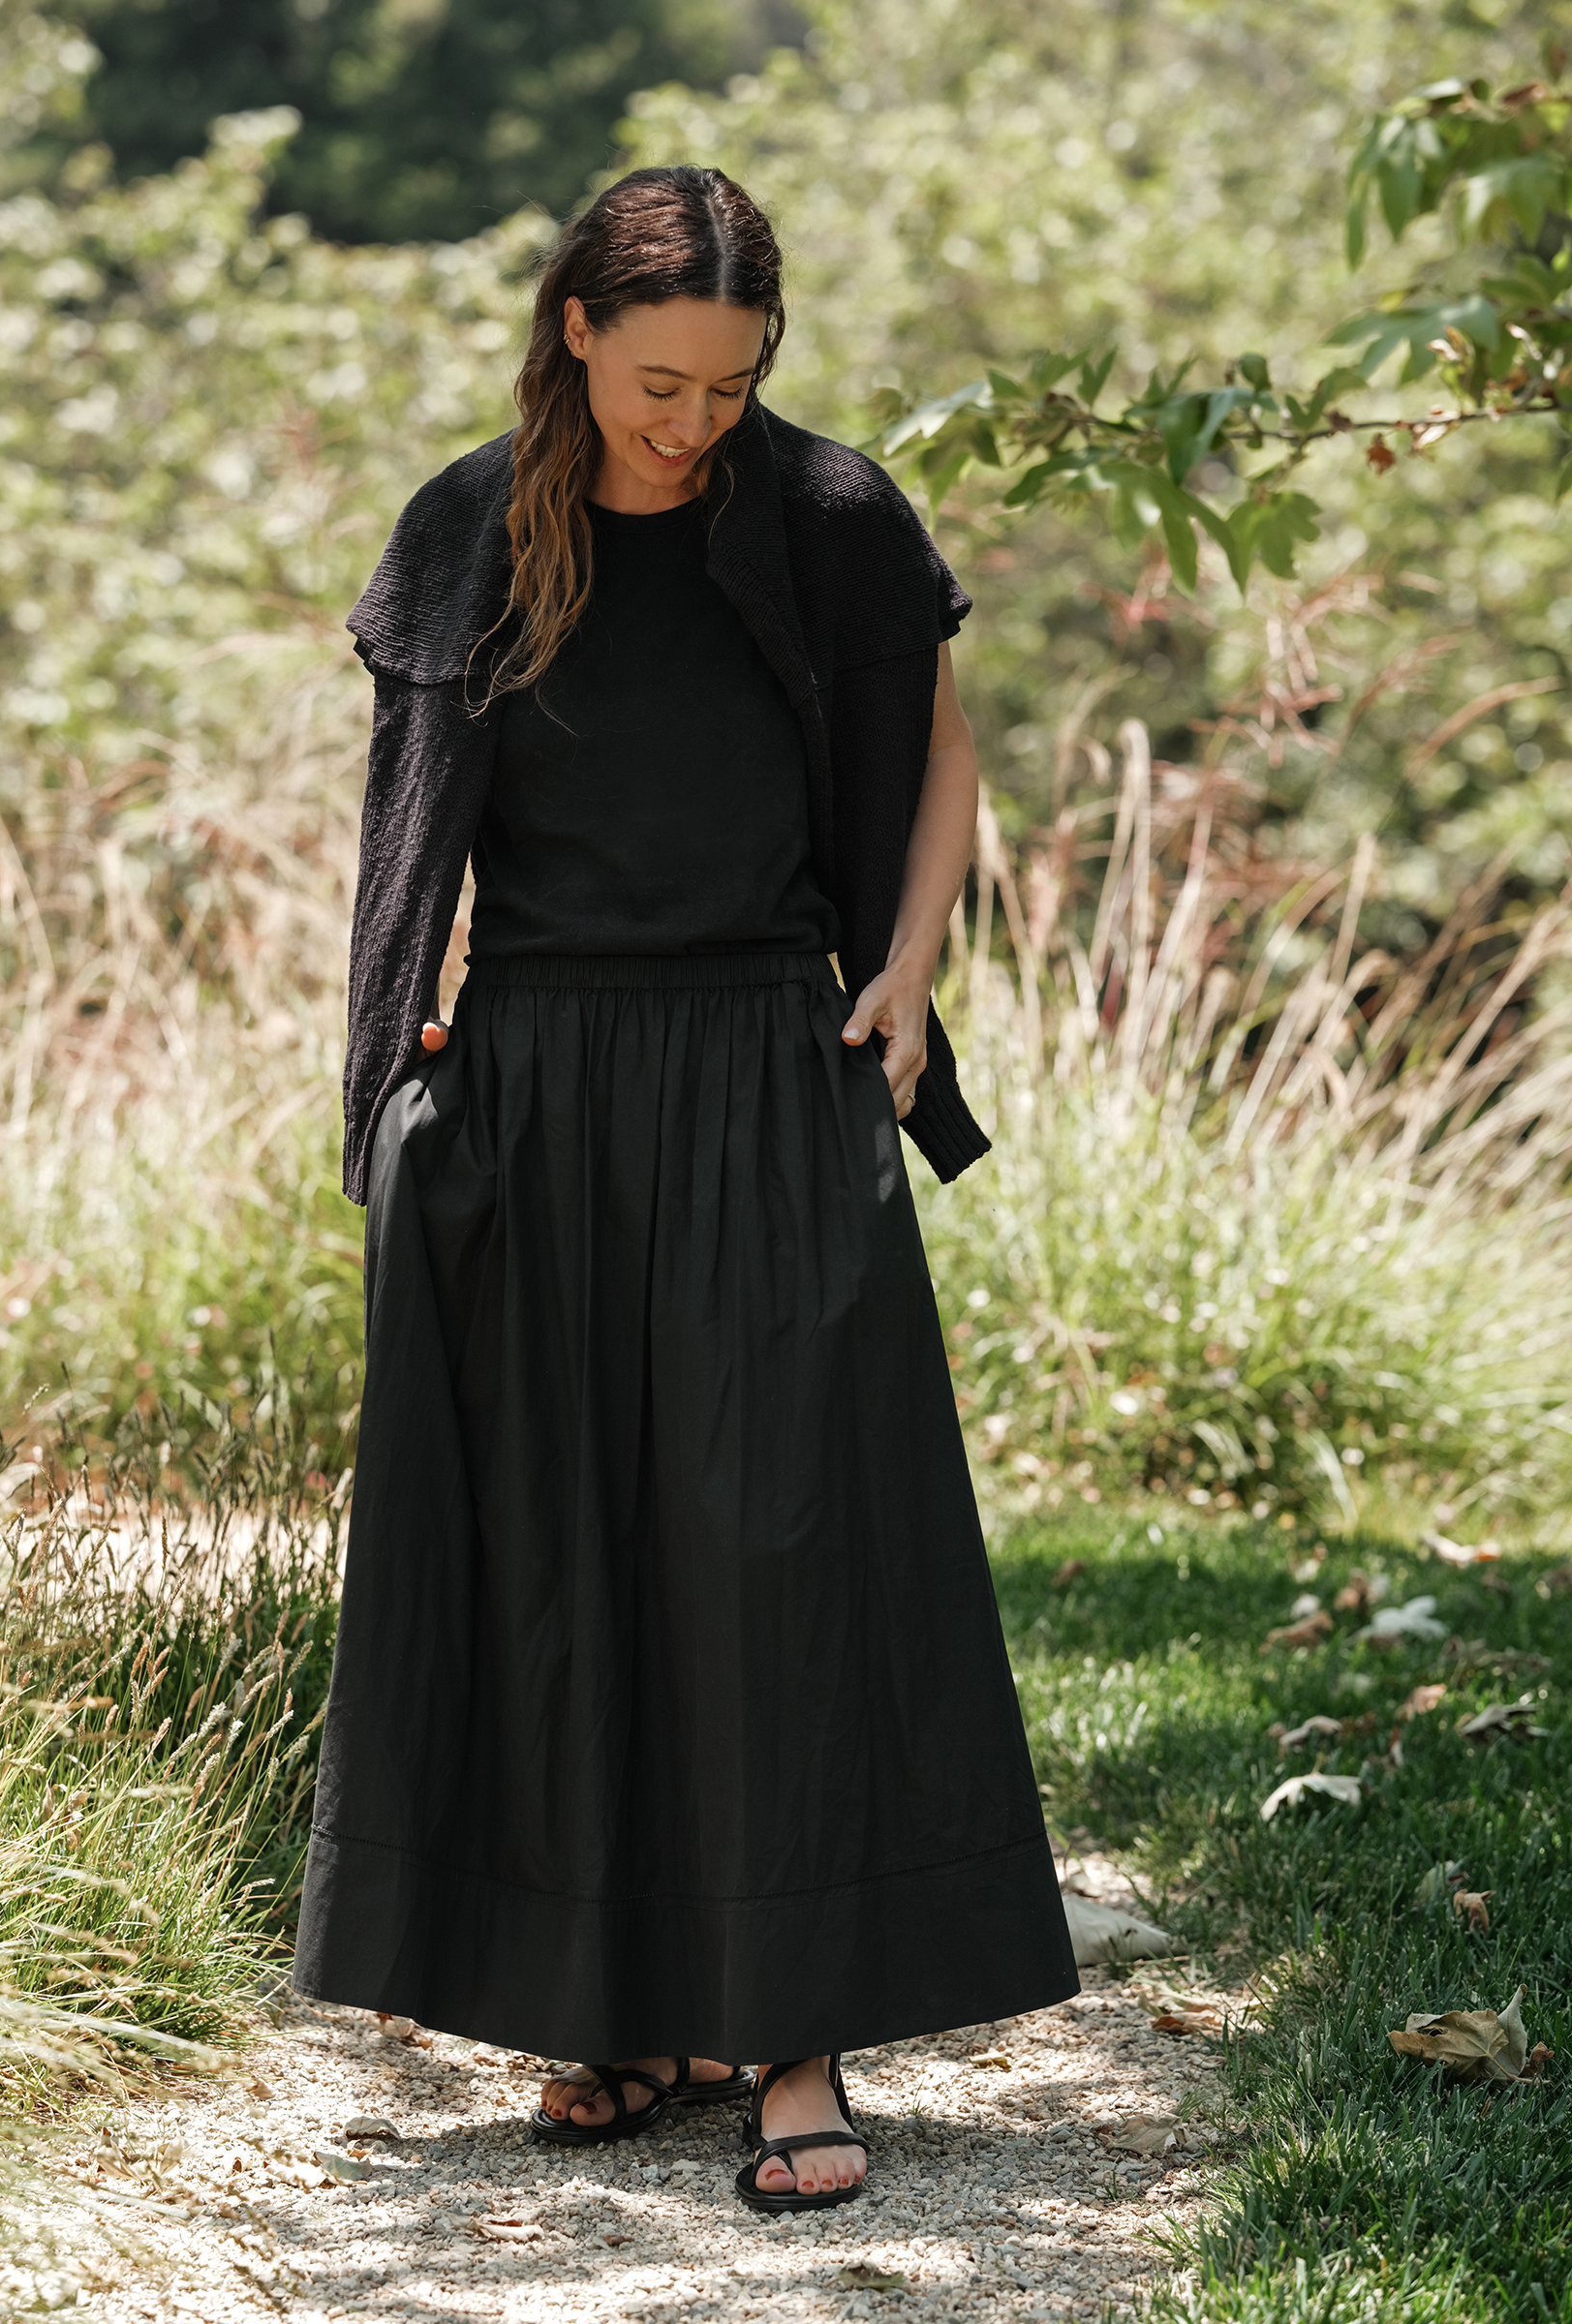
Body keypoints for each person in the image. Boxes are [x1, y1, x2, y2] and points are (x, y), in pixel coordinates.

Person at [292, 164, 1077, 2215]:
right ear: (575, 332)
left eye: (727, 387)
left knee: (775, 1549)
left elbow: (937, 752)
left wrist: (906, 974)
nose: (688, 421)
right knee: (570, 1545)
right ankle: (615, 2012)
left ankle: (793, 2040)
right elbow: (405, 839)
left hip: (763, 1061)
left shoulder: (828, 518)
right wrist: (399, 1078)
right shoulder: (471, 528)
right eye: (658, 381)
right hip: (536, 1075)